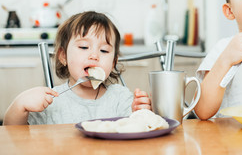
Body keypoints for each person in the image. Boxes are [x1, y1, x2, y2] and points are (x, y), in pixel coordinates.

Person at [4, 11, 151, 125]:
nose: (94, 55)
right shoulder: (51, 100)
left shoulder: (121, 98)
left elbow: (140, 130)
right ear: (63, 56)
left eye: (104, 51)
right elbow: (13, 135)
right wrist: (20, 104)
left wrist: (141, 113)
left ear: (113, 63)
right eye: (84, 47)